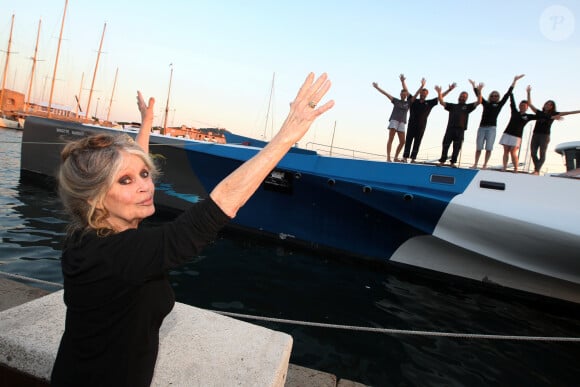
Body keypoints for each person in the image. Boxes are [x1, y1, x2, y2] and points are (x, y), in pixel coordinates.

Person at [50, 72, 334, 386]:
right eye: (126, 181)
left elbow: (132, 168)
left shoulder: (86, 238)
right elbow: (210, 214)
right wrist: (285, 138)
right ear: (96, 199)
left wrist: (147, 122)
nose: (146, 186)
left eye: (145, 174)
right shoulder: (119, 256)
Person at [470, 74, 525, 169]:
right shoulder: (486, 103)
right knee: (479, 147)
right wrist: (475, 87)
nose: (494, 97)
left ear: (498, 97)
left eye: (496, 96)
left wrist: (514, 81)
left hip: (492, 128)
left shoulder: (499, 104)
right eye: (492, 95)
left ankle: (485, 164)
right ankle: (475, 163)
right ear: (490, 96)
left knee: (489, 148)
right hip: (482, 127)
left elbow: (507, 94)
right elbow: (479, 97)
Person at [526, 87, 580, 175]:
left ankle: (536, 170)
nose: (548, 105)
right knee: (533, 152)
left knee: (542, 154)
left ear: (552, 107)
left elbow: (569, 112)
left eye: (550, 105)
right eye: (547, 104)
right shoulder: (539, 112)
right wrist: (528, 92)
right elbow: (530, 104)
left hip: (545, 136)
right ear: (544, 105)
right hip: (535, 134)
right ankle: (537, 169)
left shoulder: (554, 114)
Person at [402, 78, 456, 163]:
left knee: (417, 142)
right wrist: (403, 81)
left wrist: (449, 89)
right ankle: (405, 157)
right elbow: (406, 91)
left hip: (421, 126)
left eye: (425, 94)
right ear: (420, 93)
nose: (423, 95)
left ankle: (413, 158)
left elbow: (440, 97)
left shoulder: (429, 103)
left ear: (427, 95)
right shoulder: (414, 100)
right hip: (411, 124)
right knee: (408, 140)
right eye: (422, 93)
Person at [435, 83, 483, 167]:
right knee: (446, 145)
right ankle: (442, 161)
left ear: (466, 98)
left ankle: (453, 162)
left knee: (457, 147)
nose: (462, 97)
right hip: (450, 128)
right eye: (461, 96)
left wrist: (479, 91)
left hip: (460, 130)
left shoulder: (468, 107)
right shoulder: (452, 106)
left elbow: (479, 101)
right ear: (459, 97)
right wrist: (440, 92)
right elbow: (441, 102)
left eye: (464, 96)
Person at [498, 86, 538, 172]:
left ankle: (516, 168)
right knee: (506, 151)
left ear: (527, 107)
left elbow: (540, 116)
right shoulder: (515, 112)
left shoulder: (528, 116)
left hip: (517, 136)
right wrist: (511, 93)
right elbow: (512, 102)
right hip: (507, 133)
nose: (522, 106)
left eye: (524, 105)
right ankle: (504, 167)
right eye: (521, 105)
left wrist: (552, 116)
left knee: (513, 151)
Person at [372, 74, 412, 162]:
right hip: (394, 120)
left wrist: (402, 81)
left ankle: (396, 157)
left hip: (402, 122)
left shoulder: (408, 103)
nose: (404, 95)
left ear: (406, 96)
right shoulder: (396, 100)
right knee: (391, 139)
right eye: (402, 94)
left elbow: (408, 91)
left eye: (405, 94)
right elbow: (386, 94)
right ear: (400, 94)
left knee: (402, 142)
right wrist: (377, 87)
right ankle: (388, 157)